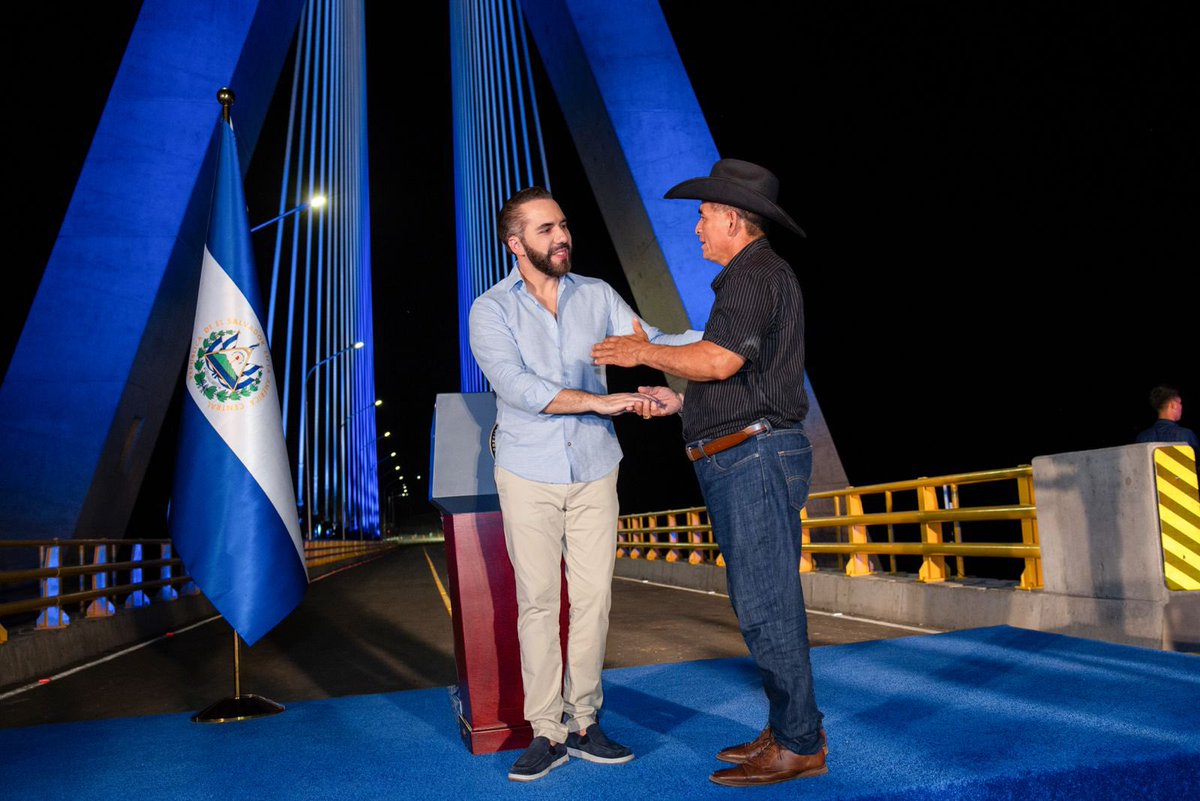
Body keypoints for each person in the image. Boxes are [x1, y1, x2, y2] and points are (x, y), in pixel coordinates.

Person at [591, 159, 827, 787]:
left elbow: (720, 361)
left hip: (754, 458)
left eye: (701, 215)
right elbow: (743, 378)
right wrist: (681, 402)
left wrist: (640, 350)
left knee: (766, 604)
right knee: (761, 599)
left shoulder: (754, 274)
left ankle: (800, 743)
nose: (695, 227)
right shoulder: (750, 279)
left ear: (730, 218)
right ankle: (788, 727)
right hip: (744, 451)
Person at [468, 186, 701, 782]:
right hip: (528, 471)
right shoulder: (490, 311)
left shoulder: (596, 295)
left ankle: (585, 721)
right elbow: (521, 391)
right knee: (539, 603)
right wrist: (605, 401)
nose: (562, 236)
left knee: (594, 600)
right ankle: (545, 730)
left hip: (596, 467)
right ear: (516, 244)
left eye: (563, 225)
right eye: (546, 230)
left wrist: (715, 348)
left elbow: (651, 343)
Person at [1135, 385, 1199, 450]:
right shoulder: (1186, 435)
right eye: (1180, 402)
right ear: (1173, 405)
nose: (1181, 406)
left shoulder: (1142, 437)